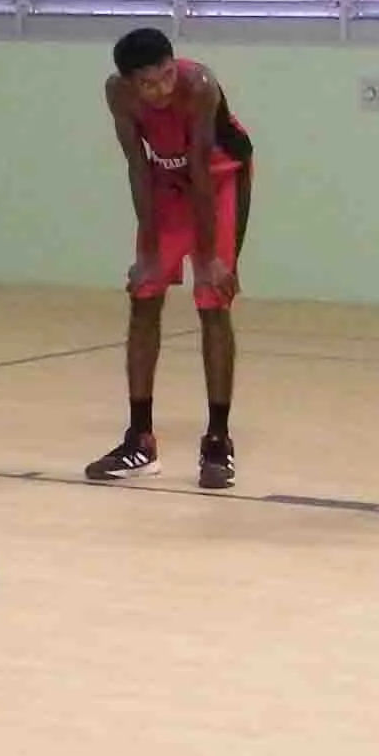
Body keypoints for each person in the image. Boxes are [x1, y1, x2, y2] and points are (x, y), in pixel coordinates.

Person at [85, 29, 253, 492]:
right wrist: (147, 253)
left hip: (217, 179)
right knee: (144, 294)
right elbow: (137, 168)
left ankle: (218, 441)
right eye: (148, 83)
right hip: (166, 184)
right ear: (128, 83)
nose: (160, 89)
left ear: (173, 65)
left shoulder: (199, 85)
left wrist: (216, 258)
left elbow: (200, 168)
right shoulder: (117, 96)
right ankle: (140, 440)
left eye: (165, 77)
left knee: (211, 298)